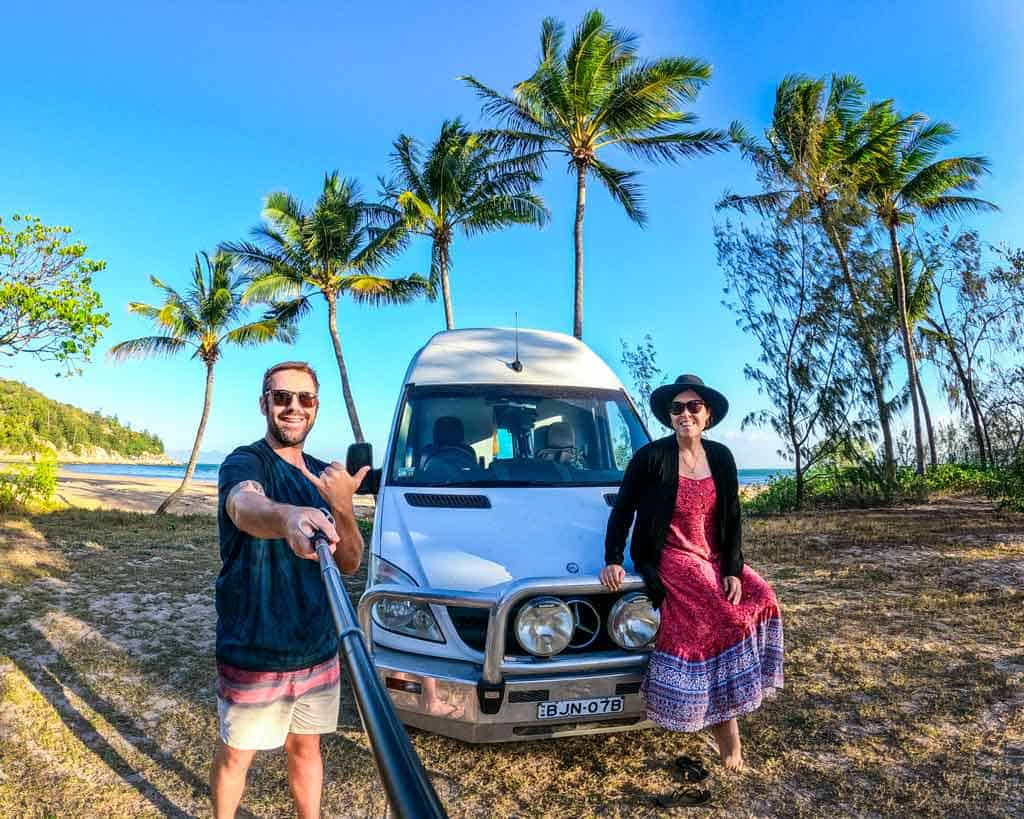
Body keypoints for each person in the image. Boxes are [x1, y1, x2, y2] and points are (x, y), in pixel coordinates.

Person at [600, 374, 783, 786]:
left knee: (762, 596)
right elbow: (623, 510)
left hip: (715, 555)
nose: (685, 414)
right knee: (724, 617)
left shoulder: (721, 457)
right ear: (669, 416)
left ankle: (732, 690)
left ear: (708, 415)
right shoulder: (651, 458)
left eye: (693, 407)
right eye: (677, 408)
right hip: (672, 555)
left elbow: (732, 517)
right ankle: (727, 732)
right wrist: (613, 559)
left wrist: (734, 568)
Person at [209, 361, 369, 819]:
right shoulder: (246, 461)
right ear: (264, 404)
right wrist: (289, 518)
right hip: (256, 646)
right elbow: (244, 504)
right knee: (238, 753)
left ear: (316, 407)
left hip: (317, 644)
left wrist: (342, 508)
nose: (293, 407)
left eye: (304, 399)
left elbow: (350, 562)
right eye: (281, 397)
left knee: (307, 747)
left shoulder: (324, 476)